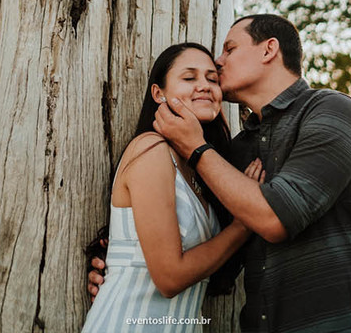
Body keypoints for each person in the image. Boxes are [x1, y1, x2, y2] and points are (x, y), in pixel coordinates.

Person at [89, 14, 351, 333]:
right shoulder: (237, 151)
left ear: (269, 50)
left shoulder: (332, 112)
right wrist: (119, 260)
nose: (220, 62)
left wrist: (196, 149)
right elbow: (215, 264)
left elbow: (274, 219)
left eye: (229, 49)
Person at [81, 43, 260, 333]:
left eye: (212, 79)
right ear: (158, 93)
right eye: (189, 78)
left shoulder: (200, 168)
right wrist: (243, 225)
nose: (204, 86)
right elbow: (169, 278)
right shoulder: (151, 149)